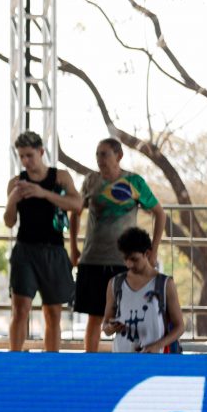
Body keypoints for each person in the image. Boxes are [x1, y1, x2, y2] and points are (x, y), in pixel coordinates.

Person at [70, 138, 166, 352]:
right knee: (94, 317)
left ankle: (131, 360)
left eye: (104, 154)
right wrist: (73, 247)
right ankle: (90, 362)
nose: (100, 159)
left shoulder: (134, 181)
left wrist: (153, 250)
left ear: (119, 156)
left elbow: (160, 214)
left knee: (128, 313)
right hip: (93, 258)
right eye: (97, 154)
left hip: (124, 261)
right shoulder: (91, 180)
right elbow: (75, 212)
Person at [3, 131, 82, 352]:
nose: (25, 161)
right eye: (21, 156)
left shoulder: (60, 177)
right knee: (20, 309)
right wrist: (12, 200)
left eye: (29, 155)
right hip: (25, 249)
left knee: (53, 312)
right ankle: (15, 357)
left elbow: (77, 205)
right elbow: (9, 222)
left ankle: (51, 361)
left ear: (41, 152)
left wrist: (43, 193)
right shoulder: (16, 183)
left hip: (53, 250)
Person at [102, 227, 184, 353]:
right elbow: (106, 326)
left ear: (147, 254)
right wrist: (110, 328)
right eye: (125, 259)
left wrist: (157, 345)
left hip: (154, 357)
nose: (129, 264)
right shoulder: (115, 284)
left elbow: (179, 327)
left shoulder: (165, 284)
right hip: (121, 356)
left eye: (134, 259)